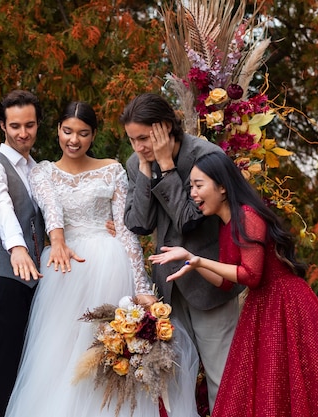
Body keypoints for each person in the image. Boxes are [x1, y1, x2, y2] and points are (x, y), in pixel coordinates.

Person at [4, 101, 199, 417]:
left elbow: (126, 230)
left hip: (111, 264)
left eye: (82, 133)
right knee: (60, 355)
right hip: (66, 265)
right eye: (67, 131)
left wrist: (142, 284)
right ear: (57, 130)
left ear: (93, 135)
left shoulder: (113, 169)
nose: (74, 140)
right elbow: (51, 209)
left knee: (110, 352)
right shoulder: (42, 172)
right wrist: (58, 241)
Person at [149, 151, 318, 417]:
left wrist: (199, 259)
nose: (193, 193)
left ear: (222, 187)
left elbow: (251, 275)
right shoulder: (226, 224)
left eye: (199, 185)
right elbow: (225, 282)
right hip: (264, 305)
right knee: (264, 390)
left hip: (287, 305)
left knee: (289, 388)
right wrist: (193, 262)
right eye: (191, 186)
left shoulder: (247, 216)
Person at [120, 92, 244, 411]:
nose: (138, 147)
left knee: (222, 378)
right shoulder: (137, 162)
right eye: (132, 140)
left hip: (208, 285)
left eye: (144, 138)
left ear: (164, 128)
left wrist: (166, 165)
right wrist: (148, 168)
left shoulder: (207, 155)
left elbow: (189, 220)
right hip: (168, 290)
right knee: (175, 383)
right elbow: (138, 223)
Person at [0, 89, 45, 417]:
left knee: (30, 378)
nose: (23, 133)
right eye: (15, 126)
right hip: (1, 284)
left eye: (29, 125)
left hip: (39, 287)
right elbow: (1, 208)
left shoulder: (39, 170)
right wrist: (17, 248)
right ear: (2, 126)